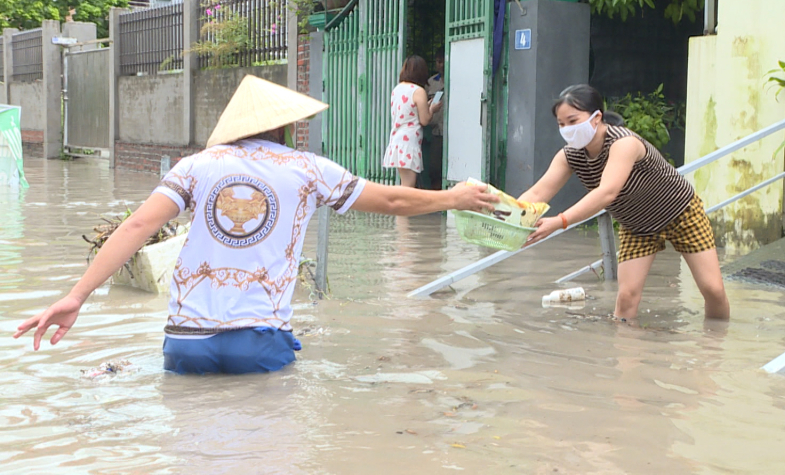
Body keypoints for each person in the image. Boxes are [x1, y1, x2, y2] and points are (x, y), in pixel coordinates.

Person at [14, 75, 497, 374]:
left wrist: (76, 295)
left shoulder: (195, 165)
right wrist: (454, 197)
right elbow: (392, 200)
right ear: (285, 127)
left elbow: (138, 226)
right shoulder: (309, 168)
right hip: (257, 341)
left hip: (185, 343)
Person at [518, 84, 730, 322]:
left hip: (680, 213)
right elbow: (537, 193)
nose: (567, 129)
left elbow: (606, 193)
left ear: (596, 117)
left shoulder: (623, 143)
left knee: (713, 290)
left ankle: (715, 347)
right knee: (626, 297)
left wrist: (560, 222)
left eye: (572, 121)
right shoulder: (570, 155)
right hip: (636, 226)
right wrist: (505, 214)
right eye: (561, 124)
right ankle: (626, 355)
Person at [383, 55, 441, 188]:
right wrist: (431, 109)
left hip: (397, 141)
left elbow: (408, 111)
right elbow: (425, 120)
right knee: (407, 188)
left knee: (404, 183)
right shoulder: (418, 91)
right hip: (409, 142)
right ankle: (397, 208)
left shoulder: (397, 89)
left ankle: (396, 208)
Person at [422, 51, 445, 190]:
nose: (440, 65)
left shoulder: (455, 79)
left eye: (442, 61)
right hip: (436, 131)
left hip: (454, 130)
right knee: (435, 168)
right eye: (437, 61)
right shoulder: (431, 83)